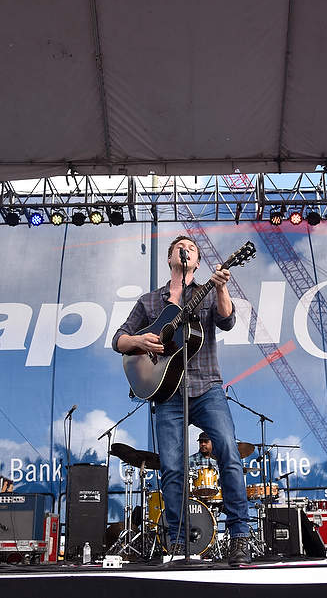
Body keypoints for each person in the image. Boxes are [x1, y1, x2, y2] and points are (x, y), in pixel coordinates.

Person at [112, 235, 251, 565]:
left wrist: (221, 288)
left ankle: (239, 536)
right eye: (180, 248)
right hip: (167, 394)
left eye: (191, 249)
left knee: (228, 452)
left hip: (207, 387)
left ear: (197, 262)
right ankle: (176, 541)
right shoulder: (149, 301)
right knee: (172, 468)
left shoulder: (207, 292)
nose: (185, 251)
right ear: (170, 258)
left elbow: (227, 321)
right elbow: (119, 340)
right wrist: (140, 341)